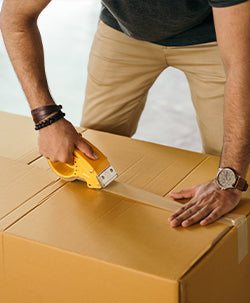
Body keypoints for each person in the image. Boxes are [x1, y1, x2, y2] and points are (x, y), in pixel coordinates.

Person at [0, 0, 249, 228]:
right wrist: (47, 119)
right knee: (92, 145)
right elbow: (16, 20)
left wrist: (229, 182)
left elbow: (241, 65)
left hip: (213, 36)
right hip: (123, 32)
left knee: (236, 165)